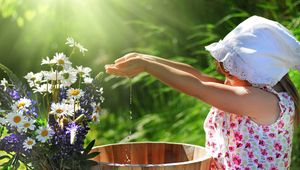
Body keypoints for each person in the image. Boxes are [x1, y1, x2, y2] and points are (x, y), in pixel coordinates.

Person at [105, 15, 300, 169]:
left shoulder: (262, 102)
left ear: (253, 72)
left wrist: (148, 66)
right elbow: (197, 76)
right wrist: (145, 58)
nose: (225, 81)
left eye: (231, 74)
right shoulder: (249, 92)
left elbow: (199, 87)